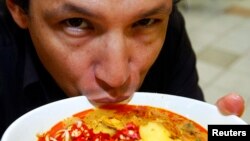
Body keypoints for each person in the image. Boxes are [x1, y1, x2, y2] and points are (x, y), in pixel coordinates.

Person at [0, 0, 245, 136]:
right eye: (76, 23)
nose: (117, 78)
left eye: (145, 21)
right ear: (18, 9)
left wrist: (226, 134)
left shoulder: (169, 30)